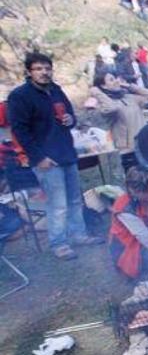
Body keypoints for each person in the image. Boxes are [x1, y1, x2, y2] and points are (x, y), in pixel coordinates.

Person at [7, 53, 105, 260]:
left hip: (66, 152)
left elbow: (70, 115)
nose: (44, 72)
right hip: (45, 159)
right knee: (57, 203)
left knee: (75, 199)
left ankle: (78, 234)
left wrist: (71, 119)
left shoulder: (56, 90)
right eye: (39, 69)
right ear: (29, 72)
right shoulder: (20, 96)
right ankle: (59, 243)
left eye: (47, 68)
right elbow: (19, 130)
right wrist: (38, 157)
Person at [90, 71, 148, 178]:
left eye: (116, 78)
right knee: (138, 185)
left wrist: (130, 86)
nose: (116, 81)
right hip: (128, 150)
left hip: (144, 145)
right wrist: (98, 93)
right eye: (111, 80)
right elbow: (113, 108)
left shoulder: (129, 97)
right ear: (103, 86)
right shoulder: (103, 105)